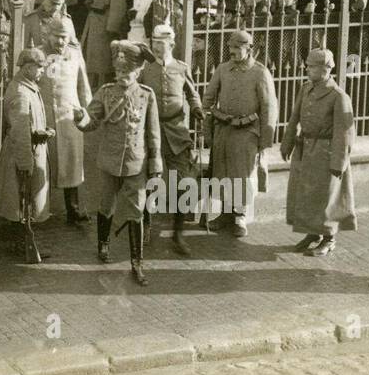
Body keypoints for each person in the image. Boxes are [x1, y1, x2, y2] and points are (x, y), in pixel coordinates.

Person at [82, 41, 161, 283]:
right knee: (106, 206)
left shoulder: (147, 95)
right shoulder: (106, 92)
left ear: (138, 71)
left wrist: (155, 165)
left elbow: (153, 133)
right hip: (109, 161)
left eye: (126, 73)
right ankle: (103, 244)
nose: (121, 76)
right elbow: (91, 120)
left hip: (135, 163)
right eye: (118, 72)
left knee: (136, 212)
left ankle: (137, 263)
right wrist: (80, 118)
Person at [281, 48, 356, 257]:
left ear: (326, 69)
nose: (307, 69)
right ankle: (313, 233)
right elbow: (295, 116)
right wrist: (287, 143)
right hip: (305, 148)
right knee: (306, 194)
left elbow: (345, 133)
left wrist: (338, 163)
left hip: (326, 151)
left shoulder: (338, 96)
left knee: (326, 196)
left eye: (312, 66)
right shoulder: (306, 89)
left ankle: (329, 238)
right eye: (308, 65)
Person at [203, 29, 278, 237]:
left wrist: (265, 140)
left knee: (242, 174)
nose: (232, 51)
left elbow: (269, 107)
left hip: (247, 131)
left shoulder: (260, 73)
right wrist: (206, 117)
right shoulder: (223, 69)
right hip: (224, 129)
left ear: (249, 49)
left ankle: (240, 216)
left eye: (237, 47)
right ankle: (225, 213)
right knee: (223, 171)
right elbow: (208, 98)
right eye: (230, 47)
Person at [139, 23, 203, 256]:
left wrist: (196, 108)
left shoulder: (181, 67)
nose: (157, 48)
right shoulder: (145, 70)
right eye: (154, 43)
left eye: (162, 43)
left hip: (176, 130)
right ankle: (145, 226)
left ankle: (178, 234)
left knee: (182, 184)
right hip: (152, 132)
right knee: (148, 181)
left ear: (172, 44)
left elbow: (192, 92)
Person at [0, 47, 53, 259]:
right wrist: (26, 163)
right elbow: (19, 131)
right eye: (39, 67)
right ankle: (22, 244)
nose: (42, 71)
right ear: (27, 68)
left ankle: (22, 243)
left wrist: (44, 131)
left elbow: (29, 123)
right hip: (24, 153)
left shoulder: (28, 87)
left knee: (26, 202)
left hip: (31, 149)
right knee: (22, 202)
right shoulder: (20, 92)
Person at [39, 16, 92, 225]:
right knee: (44, 164)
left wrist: (87, 114)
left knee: (72, 163)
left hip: (70, 117)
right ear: (48, 35)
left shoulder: (75, 55)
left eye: (64, 37)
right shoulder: (38, 54)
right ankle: (41, 209)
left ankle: (74, 209)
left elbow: (84, 86)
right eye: (56, 37)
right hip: (45, 117)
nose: (60, 42)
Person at [80, 0, 128, 86]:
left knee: (102, 58)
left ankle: (101, 84)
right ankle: (92, 83)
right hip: (95, 19)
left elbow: (118, 6)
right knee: (93, 55)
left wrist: (111, 28)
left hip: (104, 22)